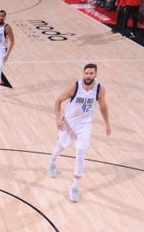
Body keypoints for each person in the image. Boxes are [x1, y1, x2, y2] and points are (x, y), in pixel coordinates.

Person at [47, 63, 111, 202]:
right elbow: (58, 101)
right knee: (61, 146)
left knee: (81, 153)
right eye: (86, 73)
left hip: (85, 125)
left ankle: (75, 187)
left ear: (96, 74)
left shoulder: (100, 89)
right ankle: (52, 162)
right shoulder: (75, 87)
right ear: (83, 74)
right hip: (69, 123)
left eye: (91, 73)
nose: (88, 76)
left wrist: (107, 123)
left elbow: (103, 106)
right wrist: (58, 119)